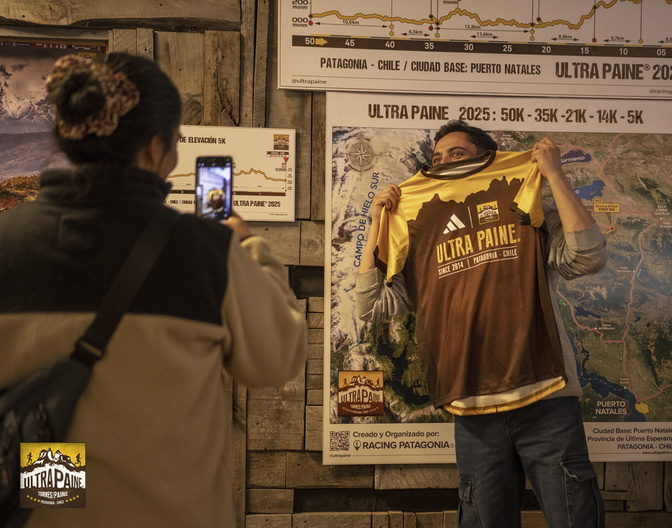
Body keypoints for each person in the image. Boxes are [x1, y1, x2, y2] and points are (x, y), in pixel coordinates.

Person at [0, 53, 307, 527]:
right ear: (153, 148)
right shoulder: (207, 253)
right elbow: (276, 358)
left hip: (51, 510)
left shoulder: (7, 242)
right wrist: (248, 245)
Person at [356, 120, 608, 527]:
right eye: (436, 158)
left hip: (546, 395)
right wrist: (376, 223)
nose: (444, 162)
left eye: (457, 153)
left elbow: (588, 257)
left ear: (489, 158)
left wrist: (554, 176)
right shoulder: (417, 216)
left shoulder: (522, 197)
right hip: (471, 407)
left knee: (576, 519)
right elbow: (372, 306)